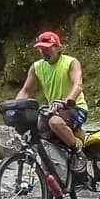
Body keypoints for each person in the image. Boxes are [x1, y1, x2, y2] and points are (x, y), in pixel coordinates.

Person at [15, 31, 88, 172]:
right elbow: (26, 91)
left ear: (58, 47)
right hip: (53, 109)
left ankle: (78, 153)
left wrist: (67, 100)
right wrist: (16, 107)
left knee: (55, 122)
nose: (44, 51)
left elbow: (77, 84)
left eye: (48, 48)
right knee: (36, 133)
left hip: (75, 107)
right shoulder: (37, 67)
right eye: (41, 48)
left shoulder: (70, 62)